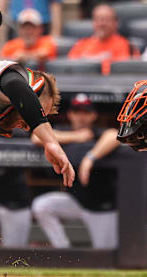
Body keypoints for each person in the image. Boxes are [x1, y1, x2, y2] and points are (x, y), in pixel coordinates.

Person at [31, 94, 119, 249]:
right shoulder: (66, 132)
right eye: (77, 112)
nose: (81, 116)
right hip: (75, 200)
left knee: (105, 255)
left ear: (93, 115)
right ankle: (63, 249)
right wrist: (75, 137)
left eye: (86, 112)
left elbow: (115, 135)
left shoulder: (97, 133)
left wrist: (90, 158)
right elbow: (36, 137)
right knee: (42, 206)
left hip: (101, 206)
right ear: (70, 114)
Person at [67, 4, 131, 75]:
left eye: (106, 20)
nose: (102, 24)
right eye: (98, 19)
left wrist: (90, 59)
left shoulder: (123, 44)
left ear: (115, 23)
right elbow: (71, 67)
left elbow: (120, 70)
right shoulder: (81, 44)